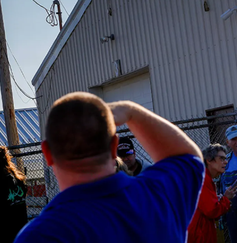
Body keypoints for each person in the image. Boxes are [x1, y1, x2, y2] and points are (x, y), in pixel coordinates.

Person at [14, 92, 204, 243]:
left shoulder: (42, 235)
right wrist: (130, 111)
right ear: (115, 147)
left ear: (46, 153)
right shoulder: (160, 194)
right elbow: (188, 155)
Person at [188, 144, 237, 243]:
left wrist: (219, 200)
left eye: (225, 158)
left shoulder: (203, 177)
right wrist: (226, 199)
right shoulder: (202, 179)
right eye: (221, 158)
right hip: (198, 235)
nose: (225, 161)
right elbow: (212, 211)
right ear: (209, 160)